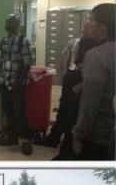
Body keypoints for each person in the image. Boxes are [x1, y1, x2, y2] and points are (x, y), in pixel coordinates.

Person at [35, 25, 96, 158]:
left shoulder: (95, 46)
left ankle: (66, 148)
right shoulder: (75, 42)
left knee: (73, 114)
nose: (85, 31)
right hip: (71, 77)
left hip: (82, 81)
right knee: (63, 109)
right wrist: (66, 75)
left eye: (88, 27)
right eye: (84, 29)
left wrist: (81, 83)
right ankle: (54, 137)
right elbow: (67, 60)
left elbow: (90, 69)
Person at [72, 3, 116, 160]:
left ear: (102, 28)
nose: (87, 25)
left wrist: (78, 135)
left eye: (91, 21)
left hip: (98, 138)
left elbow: (90, 102)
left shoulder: (96, 55)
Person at [0, 14, 33, 155]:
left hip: (17, 82)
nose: (6, 23)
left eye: (9, 22)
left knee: (19, 113)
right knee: (8, 110)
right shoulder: (3, 40)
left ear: (16, 25)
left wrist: (18, 82)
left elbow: (27, 63)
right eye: (6, 21)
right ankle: (12, 137)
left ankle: (26, 141)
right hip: (4, 81)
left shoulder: (23, 40)